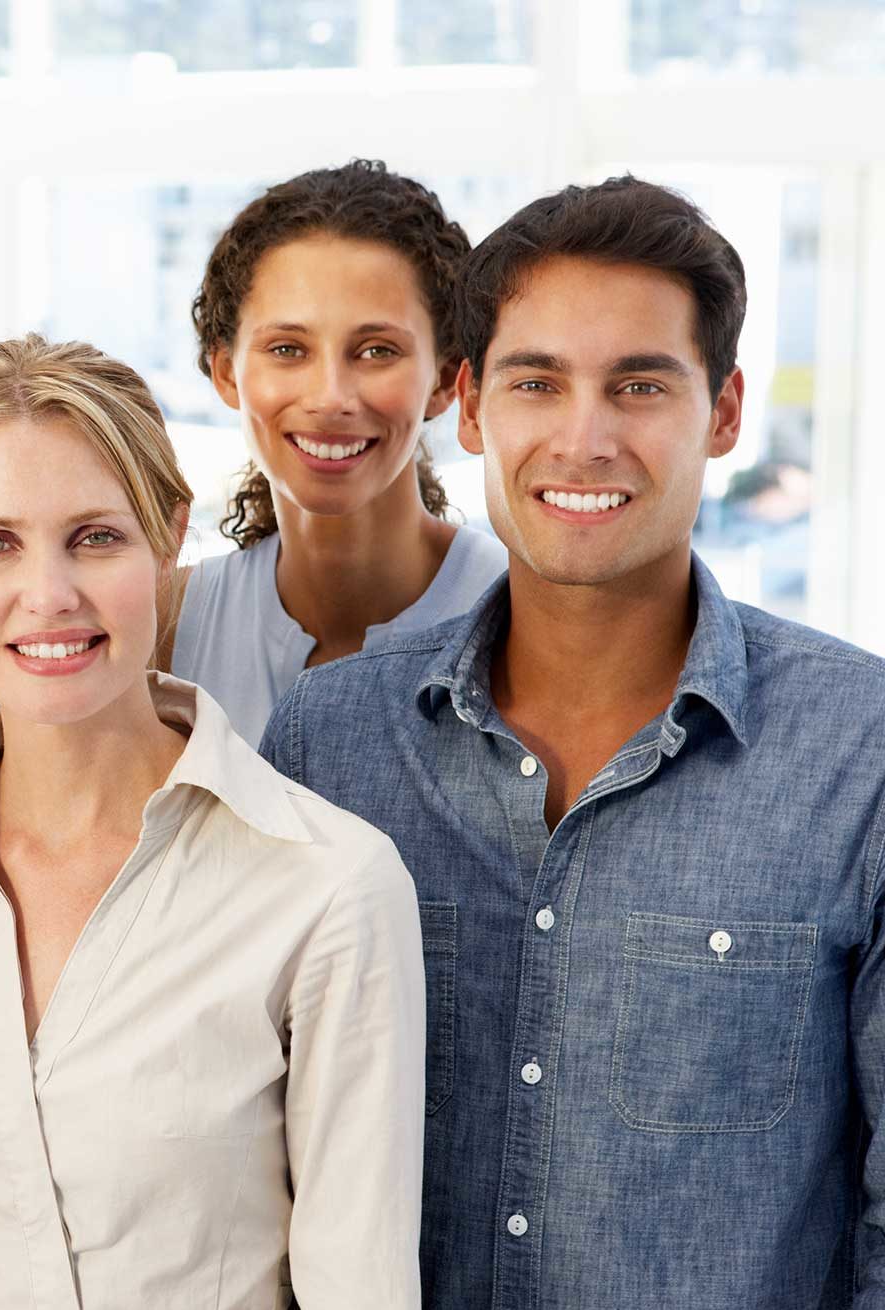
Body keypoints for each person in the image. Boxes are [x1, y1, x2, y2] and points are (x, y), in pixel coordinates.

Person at [260, 178, 885, 1306]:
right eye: (537, 381)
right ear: (470, 404)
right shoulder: (327, 742)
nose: (584, 437)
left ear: (726, 410)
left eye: (639, 385)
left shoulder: (862, 753)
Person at [0, 334, 425, 1309]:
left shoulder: (328, 882)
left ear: (170, 537)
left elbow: (359, 1285)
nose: (49, 594)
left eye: (96, 536)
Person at [163, 161, 506, 745]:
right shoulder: (164, 625)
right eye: (288, 348)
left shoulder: (523, 621)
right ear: (225, 372)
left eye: (376, 351)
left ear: (447, 378)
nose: (330, 398)